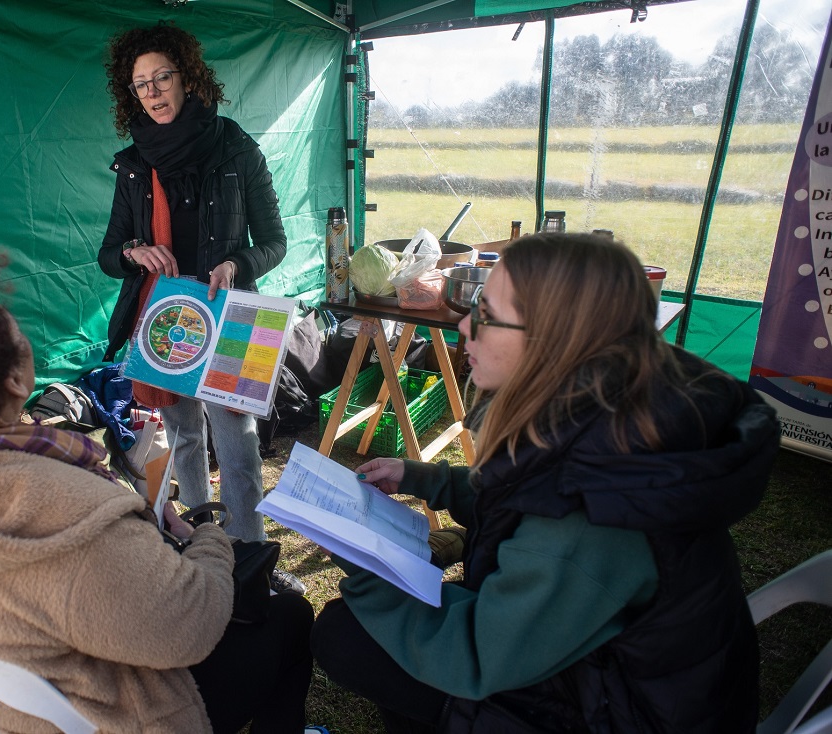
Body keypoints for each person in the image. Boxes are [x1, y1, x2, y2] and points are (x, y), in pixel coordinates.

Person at [0, 262, 315, 733]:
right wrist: (206, 539)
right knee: (291, 616)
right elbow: (189, 626)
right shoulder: (70, 509)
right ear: (14, 380)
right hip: (111, 715)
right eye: (18, 333)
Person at [311, 232, 780, 733]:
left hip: (615, 710)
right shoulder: (610, 413)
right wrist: (424, 478)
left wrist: (368, 567)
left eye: (487, 314)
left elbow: (472, 656)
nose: (465, 325)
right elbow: (531, 494)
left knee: (347, 637)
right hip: (601, 672)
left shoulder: (595, 517)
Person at [97, 24, 289, 555]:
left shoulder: (236, 149)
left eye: (163, 77)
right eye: (141, 84)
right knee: (183, 436)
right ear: (130, 93)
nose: (153, 91)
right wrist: (136, 253)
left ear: (188, 79)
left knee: (238, 447)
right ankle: (203, 546)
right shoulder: (134, 165)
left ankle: (251, 557)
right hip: (166, 316)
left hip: (229, 313)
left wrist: (237, 262)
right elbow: (108, 254)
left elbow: (275, 242)